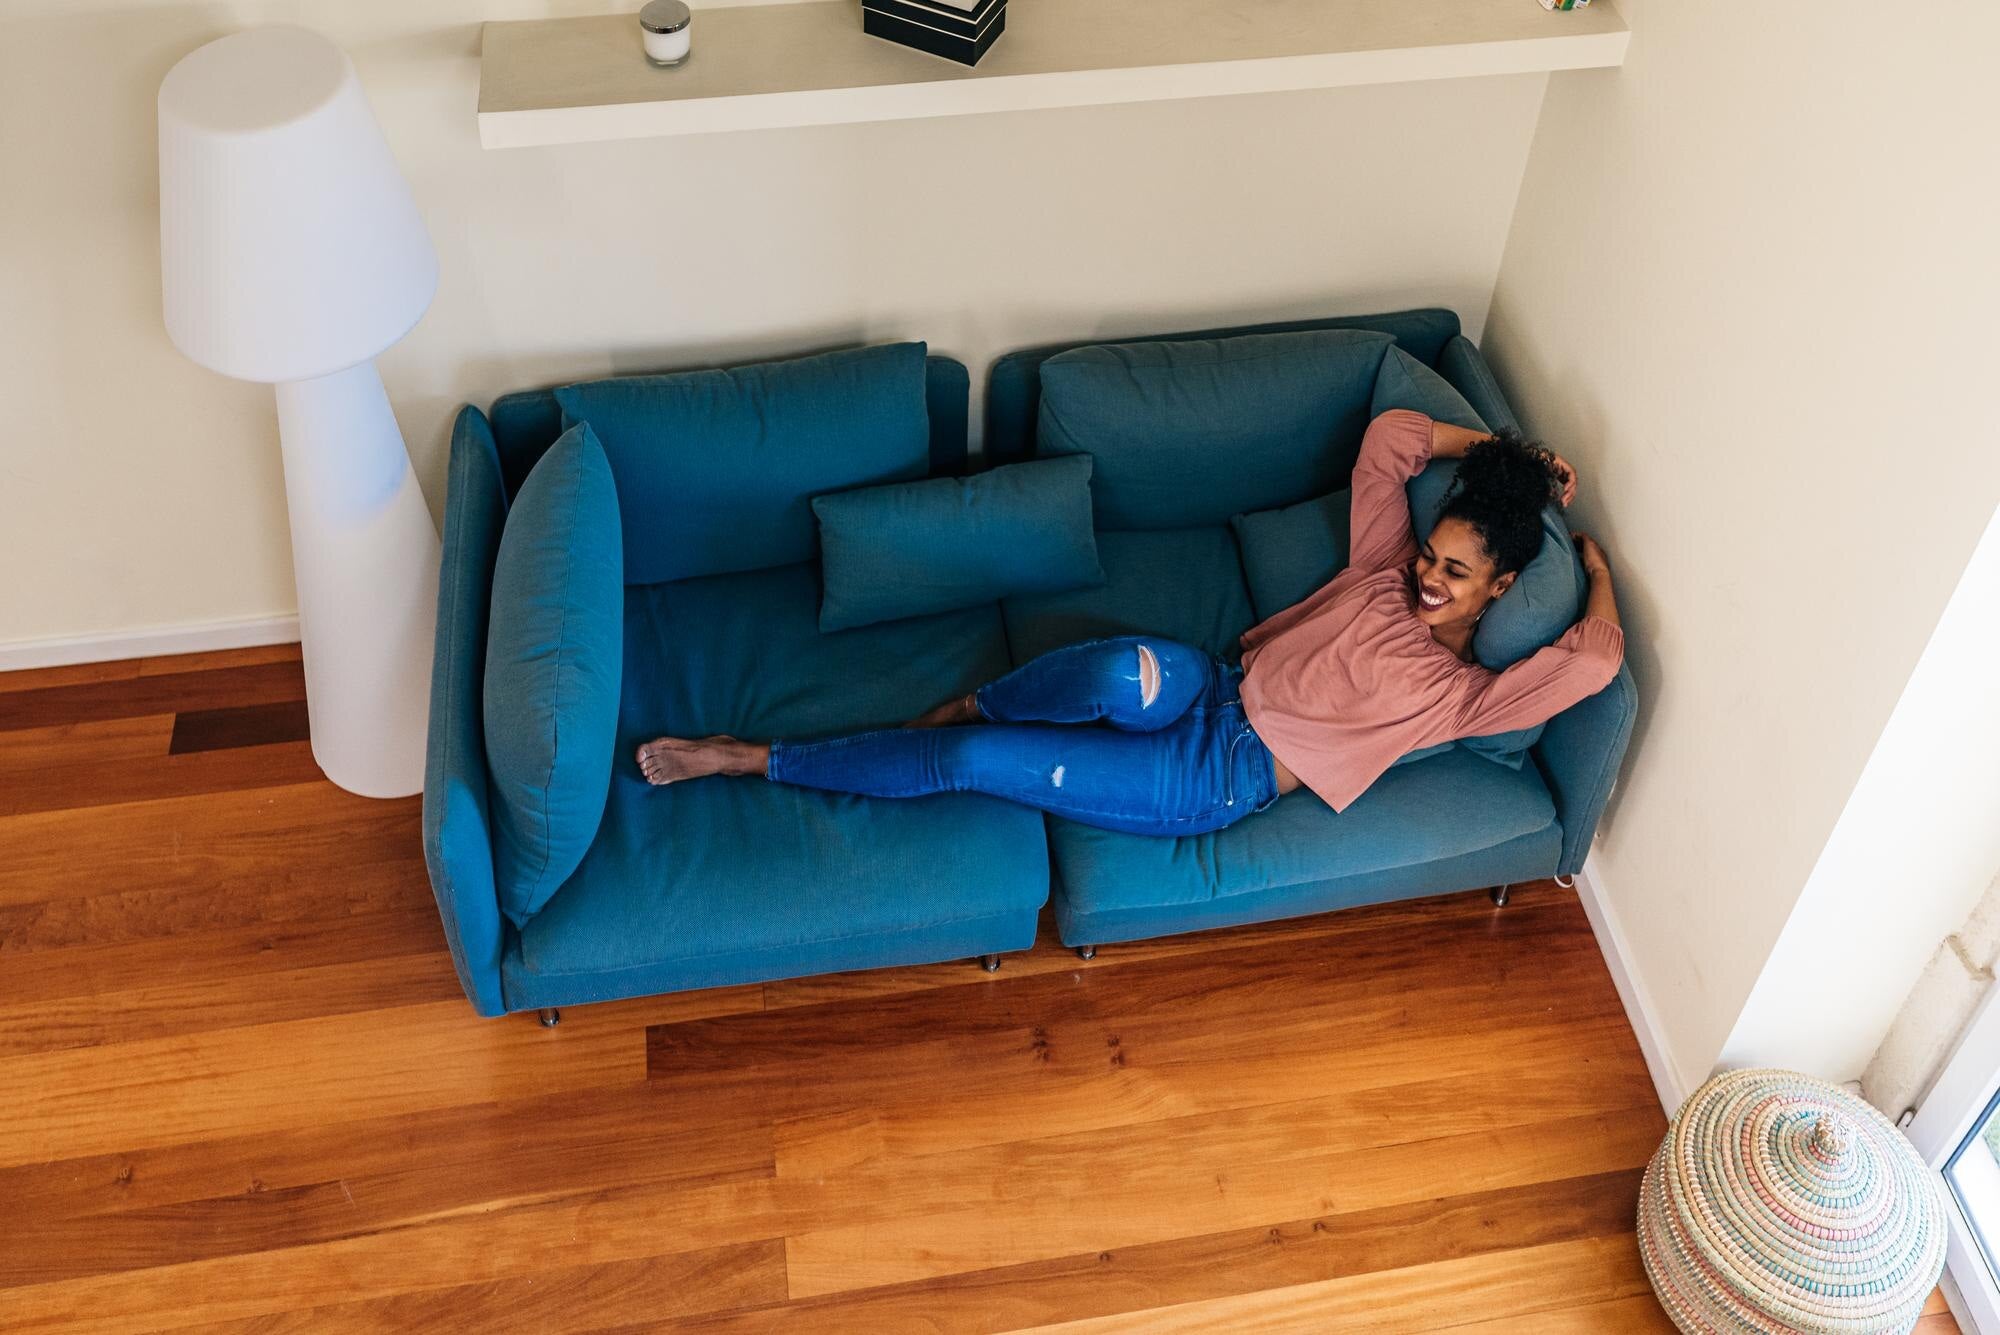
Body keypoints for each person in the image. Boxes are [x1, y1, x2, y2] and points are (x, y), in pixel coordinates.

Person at [635, 409, 1625, 835]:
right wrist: (1506, 454)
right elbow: (1392, 440)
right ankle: (977, 698)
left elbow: (1594, 657)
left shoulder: (1457, 699)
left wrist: (1592, 565)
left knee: (979, 768)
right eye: (1429, 555)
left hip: (1214, 776)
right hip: (1207, 689)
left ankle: (749, 756)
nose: (1425, 576)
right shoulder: (1376, 569)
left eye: (1454, 573)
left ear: (1499, 588)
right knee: (1119, 676)